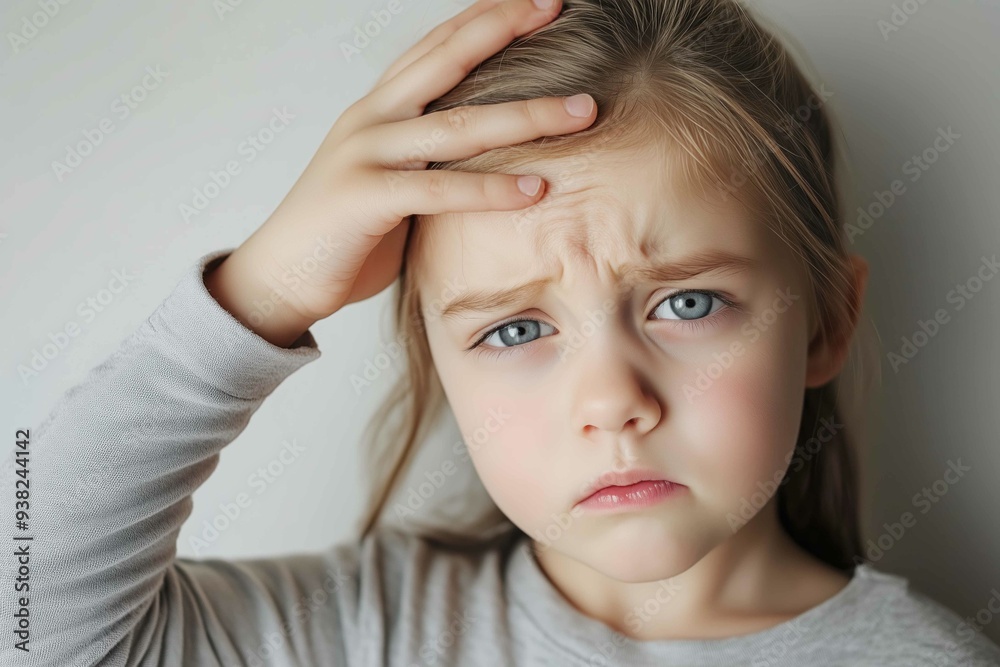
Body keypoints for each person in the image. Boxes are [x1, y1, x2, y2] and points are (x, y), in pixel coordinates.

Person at [4, 0, 1000, 665]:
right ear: (435, 358)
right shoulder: (364, 632)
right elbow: (25, 612)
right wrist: (260, 292)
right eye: (518, 328)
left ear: (826, 320)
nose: (613, 399)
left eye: (685, 303)